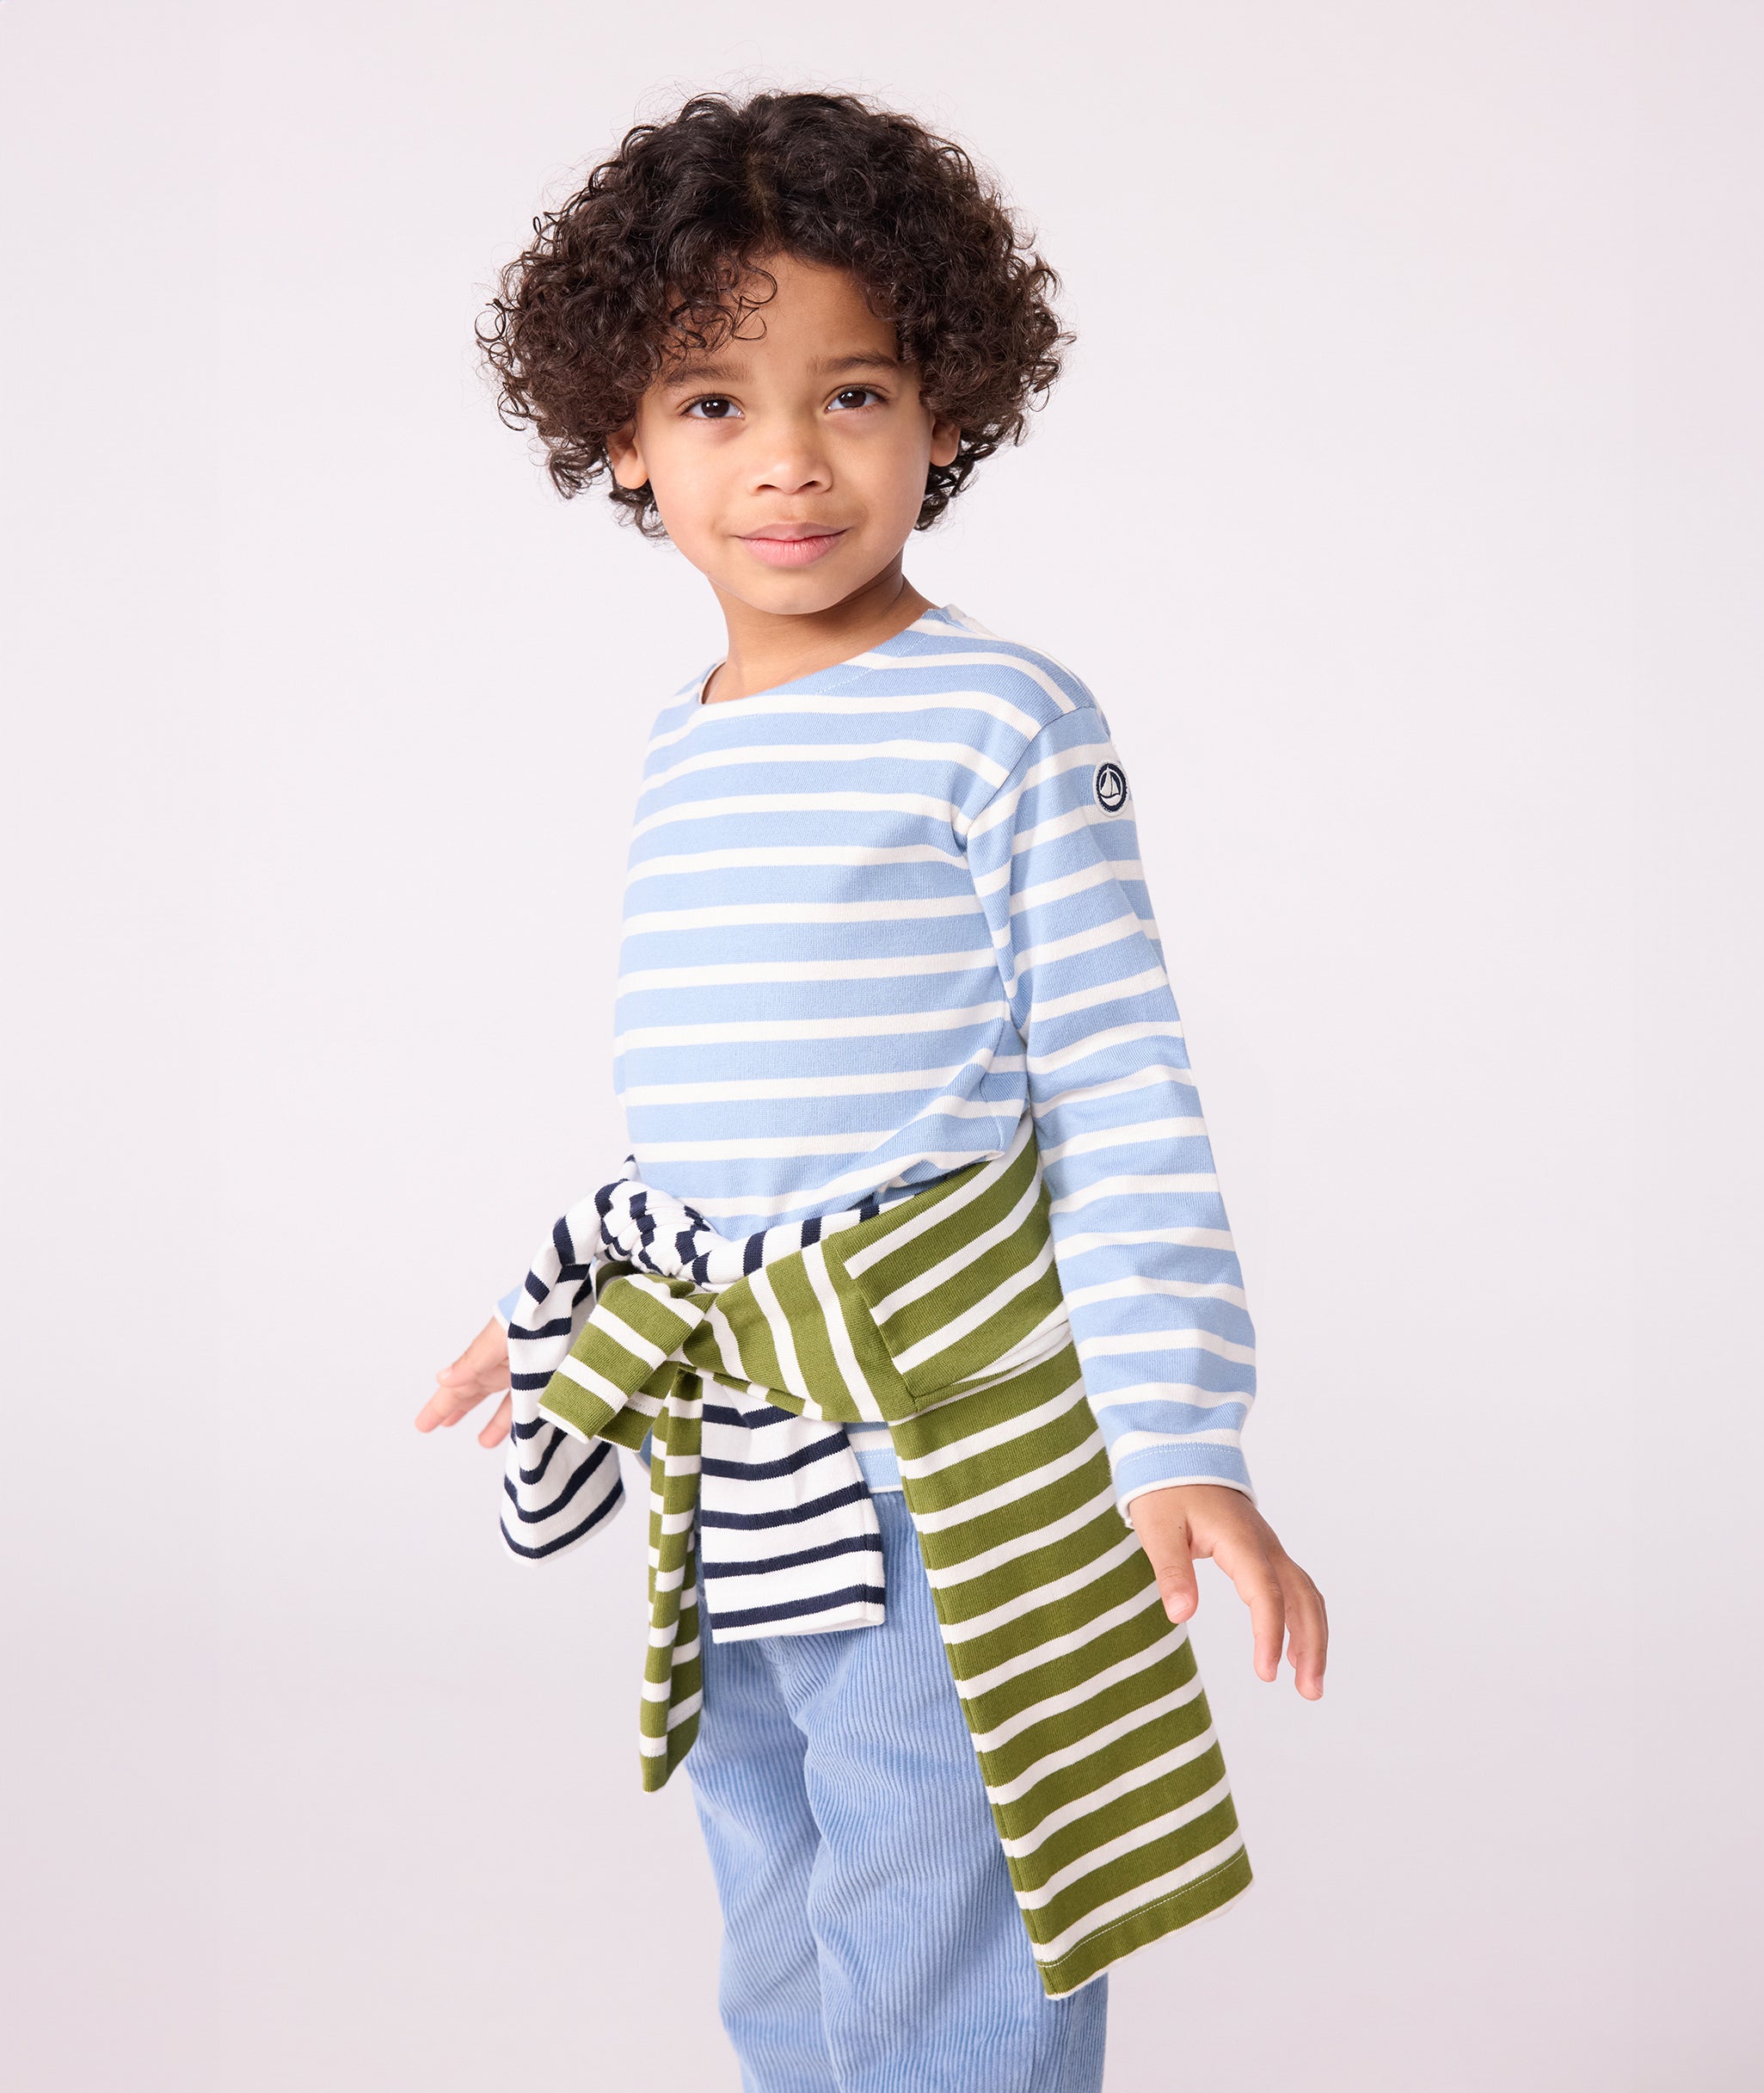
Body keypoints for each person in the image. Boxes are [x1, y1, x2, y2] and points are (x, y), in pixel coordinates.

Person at [415, 88, 1327, 2093]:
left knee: (941, 1913)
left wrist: (1179, 1428)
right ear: (621, 438)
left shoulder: (1001, 716)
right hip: (738, 1450)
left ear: (942, 407)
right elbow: (732, 1109)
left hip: (942, 1449)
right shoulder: (684, 740)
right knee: (779, 1895)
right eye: (713, 403)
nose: (790, 460)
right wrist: (566, 1294)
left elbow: (1115, 1076)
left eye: (851, 392)